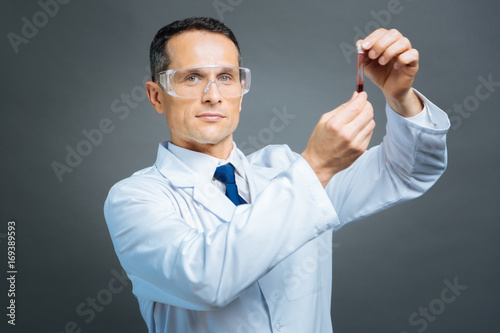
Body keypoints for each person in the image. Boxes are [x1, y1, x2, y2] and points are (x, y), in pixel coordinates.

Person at [104, 17, 450, 333]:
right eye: (192, 78)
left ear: (241, 90)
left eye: (225, 77)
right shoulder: (135, 198)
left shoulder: (284, 169)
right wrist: (316, 166)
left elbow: (409, 169)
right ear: (156, 96)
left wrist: (400, 96)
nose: (213, 96)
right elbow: (207, 281)